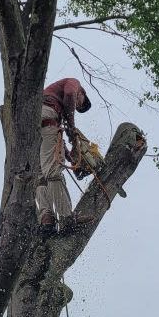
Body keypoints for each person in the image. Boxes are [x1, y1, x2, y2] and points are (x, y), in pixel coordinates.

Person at [36, 77, 93, 235]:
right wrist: (71, 127)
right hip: (48, 119)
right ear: (82, 93)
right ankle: (67, 218)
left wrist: (71, 159)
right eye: (79, 103)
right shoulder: (74, 83)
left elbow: (54, 139)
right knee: (54, 172)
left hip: (37, 126)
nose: (75, 106)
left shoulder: (51, 102)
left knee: (41, 176)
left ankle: (47, 220)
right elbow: (69, 94)